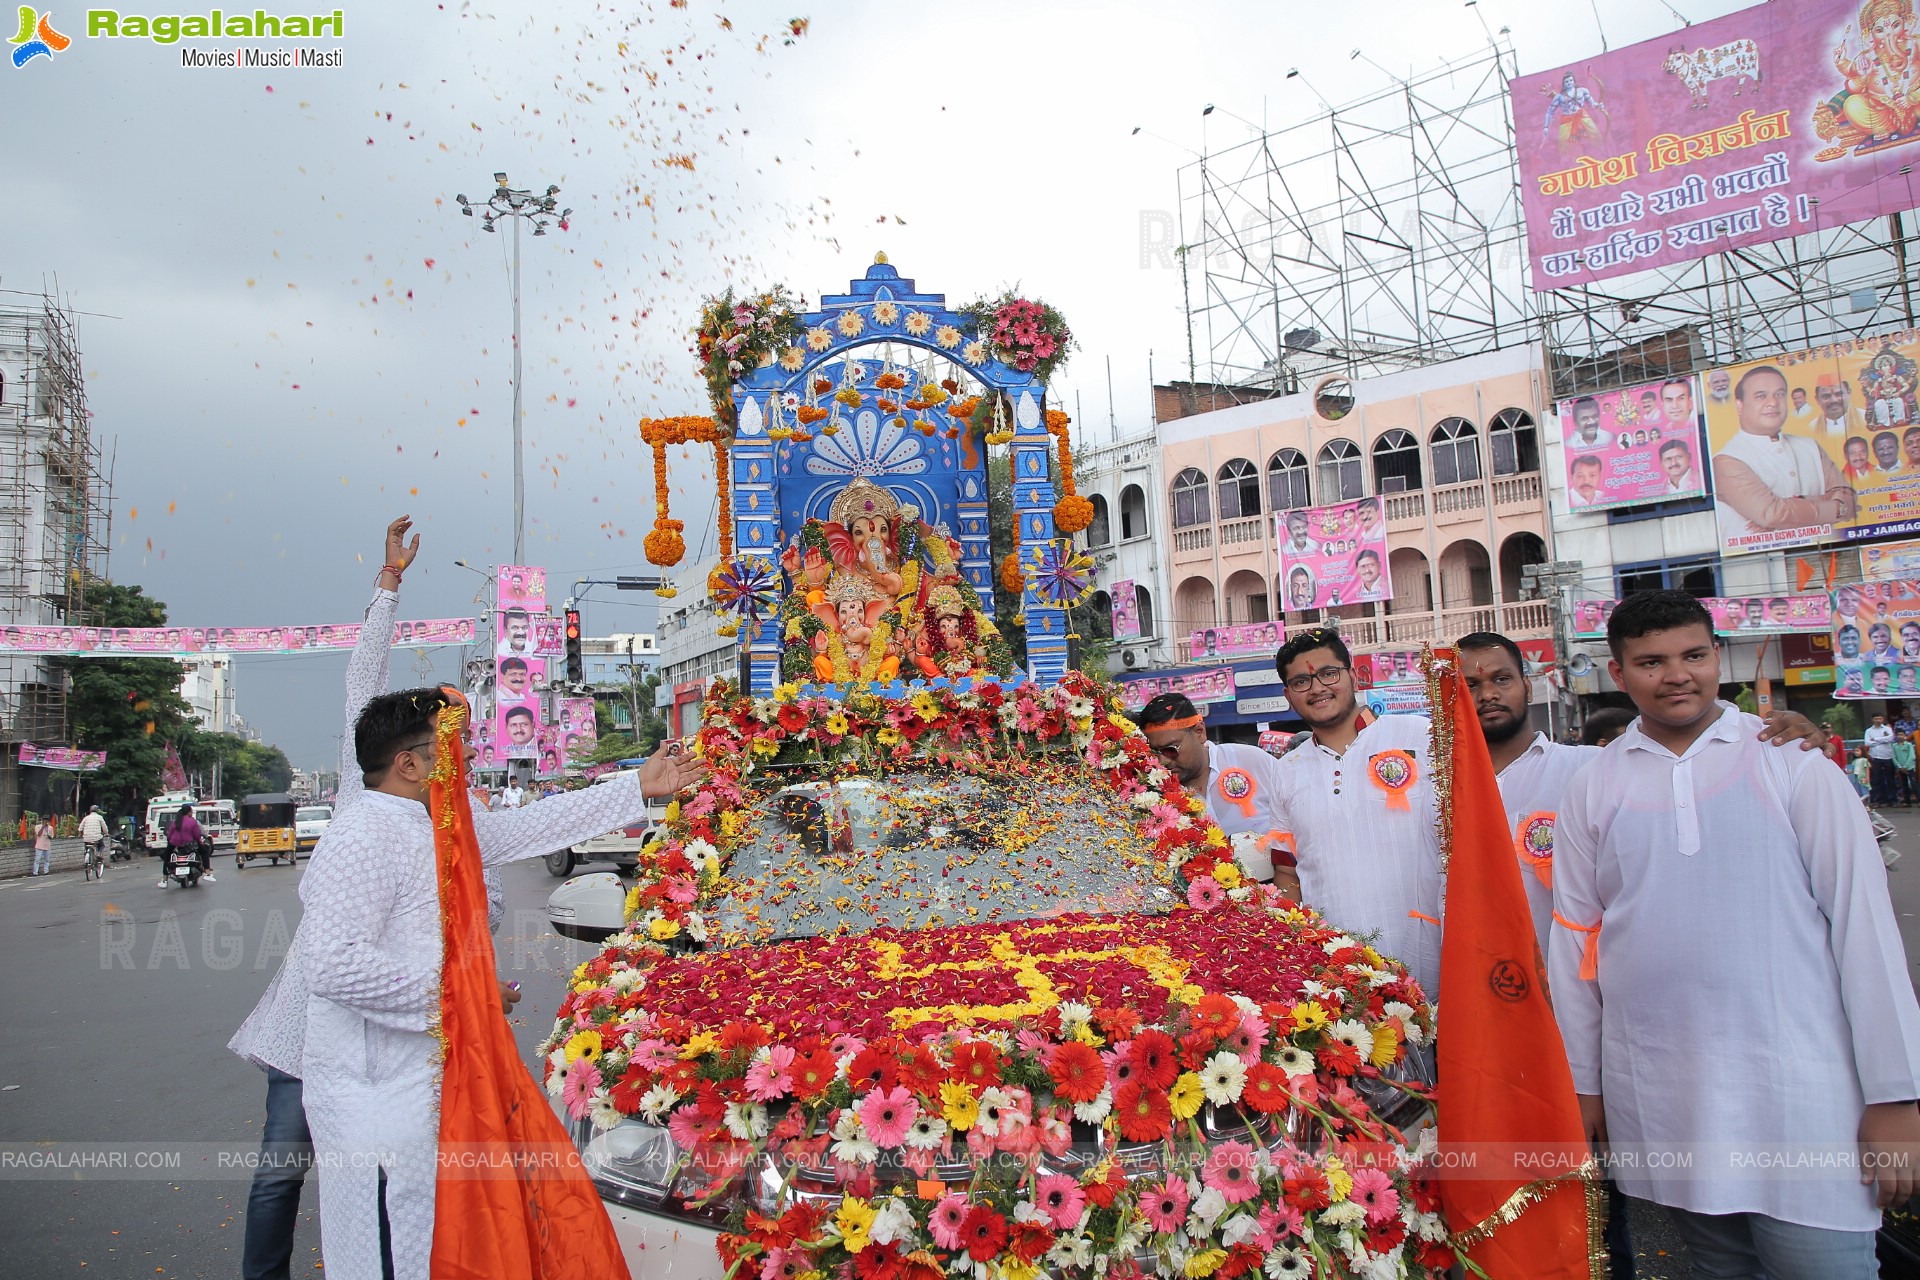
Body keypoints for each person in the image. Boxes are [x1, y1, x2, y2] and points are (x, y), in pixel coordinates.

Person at [234, 516, 707, 1280]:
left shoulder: (448, 821)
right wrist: (387, 588)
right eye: (447, 743)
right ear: (409, 759)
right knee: (290, 1178)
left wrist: (634, 786)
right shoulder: (363, 813)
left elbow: (527, 829)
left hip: (416, 1058)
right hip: (326, 1040)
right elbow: (337, 963)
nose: (460, 756)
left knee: (415, 1215)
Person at [1551, 590, 1920, 1279]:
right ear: (1618, 671)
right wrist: (1584, 1085)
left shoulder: (1791, 761)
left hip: (1805, 1099)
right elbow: (1575, 940)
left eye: (1694, 655)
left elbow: (1864, 930)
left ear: (1718, 655)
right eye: (1651, 661)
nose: (1677, 674)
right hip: (1663, 1097)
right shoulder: (1593, 786)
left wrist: (1896, 1096)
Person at [1266, 627, 1442, 996]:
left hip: (1432, 954)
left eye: (1328, 673)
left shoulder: (1421, 737)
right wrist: (1298, 950)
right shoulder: (1285, 770)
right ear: (1287, 695)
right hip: (1338, 974)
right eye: (1301, 681)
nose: (1317, 688)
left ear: (1354, 675)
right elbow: (1286, 870)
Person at [1138, 693, 1297, 896]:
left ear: (1199, 732)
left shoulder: (1251, 760)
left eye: (1170, 750)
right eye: (1153, 752)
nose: (1163, 761)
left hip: (1280, 895)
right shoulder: (1152, 795)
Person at [1712, 365, 1855, 536]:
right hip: (1764, 557)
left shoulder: (1809, 446)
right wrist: (1835, 508)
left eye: (1779, 394)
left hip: (1828, 547)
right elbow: (1772, 514)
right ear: (1740, 406)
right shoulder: (1727, 459)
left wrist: (1792, 510)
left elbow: (1849, 498)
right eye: (1761, 396)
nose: (1772, 402)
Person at [162, 804, 213, 886]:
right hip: (189, 844)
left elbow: (169, 835)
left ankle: (164, 880)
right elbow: (197, 835)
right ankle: (207, 873)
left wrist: (171, 842)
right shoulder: (193, 821)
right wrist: (200, 843)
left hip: (174, 843)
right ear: (189, 812)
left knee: (167, 857)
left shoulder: (175, 822)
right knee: (205, 852)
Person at [1866, 713, 1897, 804]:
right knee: (1877, 779)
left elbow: (1890, 738)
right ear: (1872, 719)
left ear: (1883, 719)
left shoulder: (1887, 729)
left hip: (1887, 756)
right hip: (1875, 757)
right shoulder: (1869, 730)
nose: (1878, 720)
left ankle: (1892, 799)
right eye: (1876, 718)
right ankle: (1878, 799)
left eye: (1880, 718)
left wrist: (1875, 739)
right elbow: (1867, 743)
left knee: (1890, 779)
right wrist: (1882, 740)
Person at [79, 805, 108, 877]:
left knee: (86, 847)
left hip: (87, 838)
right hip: (97, 838)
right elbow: (104, 828)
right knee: (101, 845)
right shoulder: (99, 817)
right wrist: (106, 833)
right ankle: (99, 853)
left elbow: (80, 828)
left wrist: (81, 833)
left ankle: (86, 856)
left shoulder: (86, 818)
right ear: (97, 811)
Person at [1895, 729, 1917, 806]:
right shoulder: (1895, 746)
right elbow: (1894, 757)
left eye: (1902, 735)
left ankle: (1918, 799)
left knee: (1914, 784)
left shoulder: (1908, 745)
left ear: (1905, 736)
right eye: (1898, 735)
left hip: (1909, 767)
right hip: (1900, 768)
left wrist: (1906, 766)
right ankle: (1907, 801)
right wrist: (1899, 766)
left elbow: (1912, 756)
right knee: (1904, 784)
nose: (1900, 736)